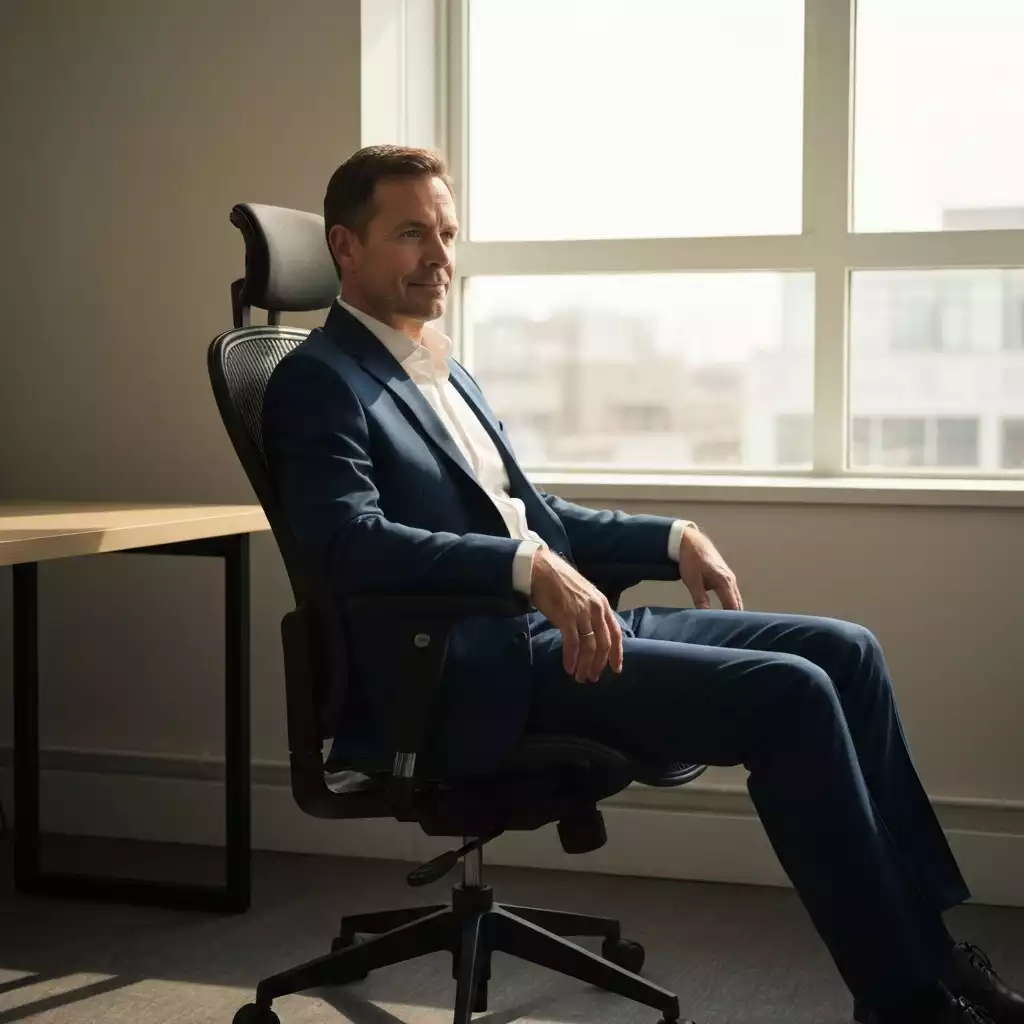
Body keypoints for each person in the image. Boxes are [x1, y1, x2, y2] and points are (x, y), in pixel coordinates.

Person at [262, 145, 1023, 1024]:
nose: (439, 255)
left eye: (447, 232)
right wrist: (524, 569)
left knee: (845, 650)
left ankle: (932, 953)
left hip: (545, 633)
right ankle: (904, 999)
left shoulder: (437, 366)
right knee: (791, 697)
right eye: (410, 234)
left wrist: (673, 535)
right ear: (345, 249)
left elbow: (532, 514)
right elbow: (345, 545)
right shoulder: (317, 383)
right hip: (471, 671)